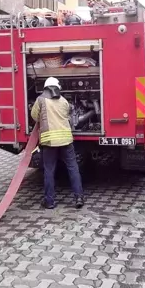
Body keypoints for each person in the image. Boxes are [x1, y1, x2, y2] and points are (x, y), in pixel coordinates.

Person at [31, 77, 84, 209]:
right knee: (73, 168)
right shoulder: (64, 101)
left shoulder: (41, 100)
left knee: (49, 171)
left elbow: (34, 116)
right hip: (66, 140)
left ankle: (49, 201)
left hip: (50, 142)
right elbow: (68, 114)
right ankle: (79, 197)